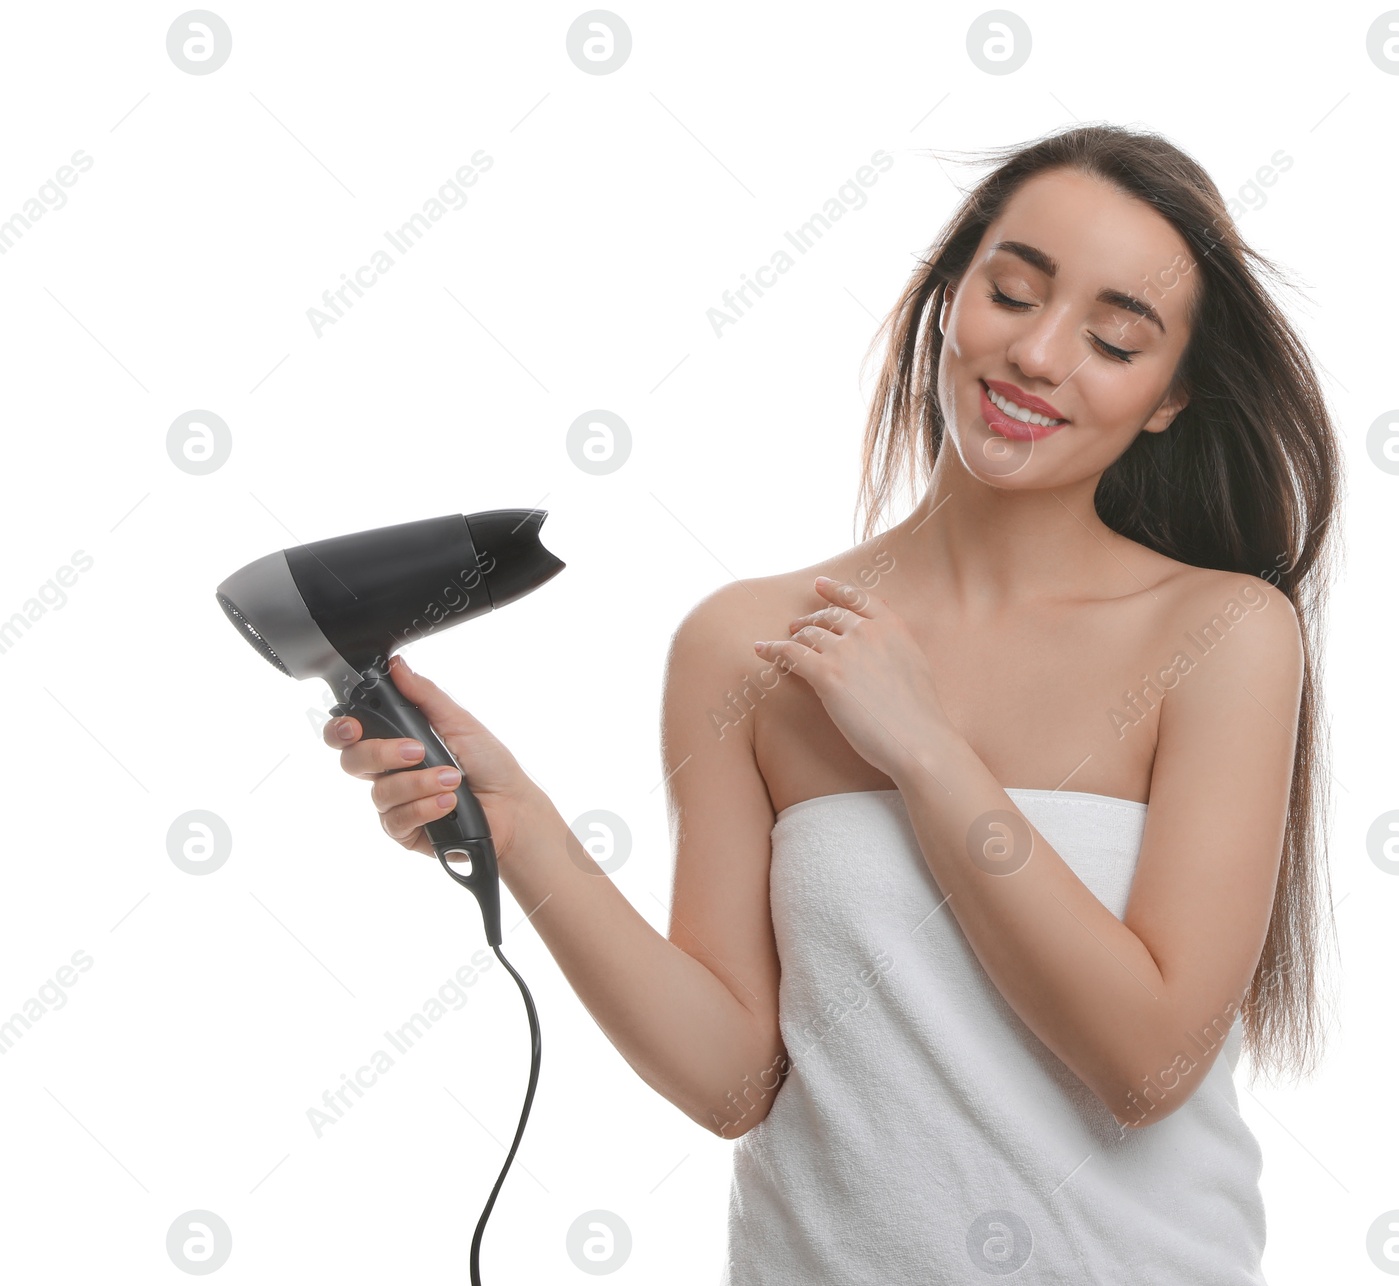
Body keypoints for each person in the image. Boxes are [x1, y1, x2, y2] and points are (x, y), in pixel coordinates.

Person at [324, 121, 1344, 1283]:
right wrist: (524, 831)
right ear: (951, 292)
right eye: (1014, 291)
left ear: (1169, 398)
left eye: (1114, 339)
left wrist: (924, 747)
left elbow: (1147, 1066)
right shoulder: (742, 647)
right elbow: (733, 1079)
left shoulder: (1219, 634)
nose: (1040, 354)